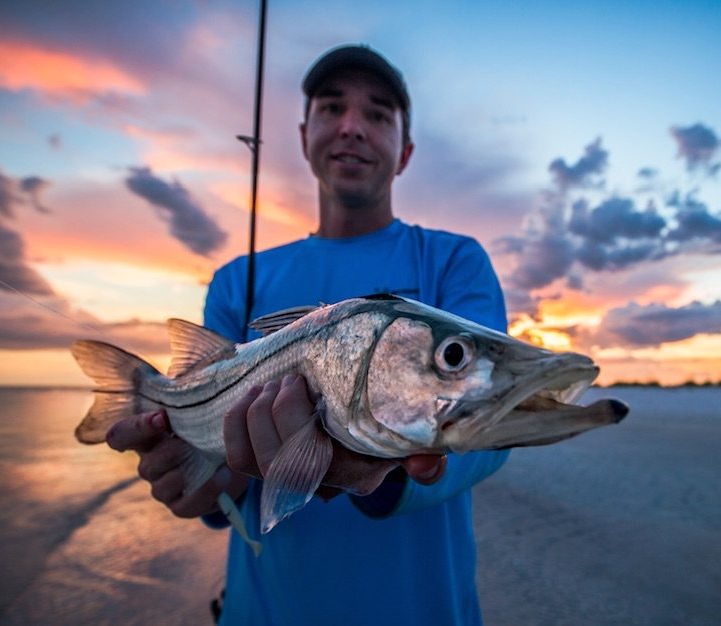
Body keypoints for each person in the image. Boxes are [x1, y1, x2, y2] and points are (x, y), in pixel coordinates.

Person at [105, 44, 510, 625]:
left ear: (405, 152)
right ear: (303, 136)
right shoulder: (237, 279)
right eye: (331, 108)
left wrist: (386, 474)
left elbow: (491, 427)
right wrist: (195, 474)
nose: (352, 127)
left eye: (378, 114)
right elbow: (223, 478)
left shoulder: (454, 261)